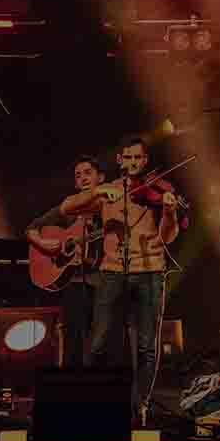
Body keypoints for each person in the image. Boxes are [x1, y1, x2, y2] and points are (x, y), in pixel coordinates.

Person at [63, 137, 184, 416]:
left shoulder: (157, 191)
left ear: (145, 161)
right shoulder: (108, 191)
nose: (132, 163)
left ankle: (142, 402)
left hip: (150, 271)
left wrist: (169, 212)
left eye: (137, 158)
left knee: (146, 346)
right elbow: (67, 207)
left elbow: (167, 237)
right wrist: (98, 192)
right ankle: (87, 402)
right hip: (113, 272)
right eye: (127, 158)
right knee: (98, 341)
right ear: (119, 160)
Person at [25, 155, 116, 369]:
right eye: (78, 175)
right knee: (72, 339)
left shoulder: (112, 205)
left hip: (104, 282)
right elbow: (32, 228)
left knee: (103, 343)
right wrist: (45, 244)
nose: (83, 178)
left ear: (101, 178)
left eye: (88, 173)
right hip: (75, 284)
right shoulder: (69, 209)